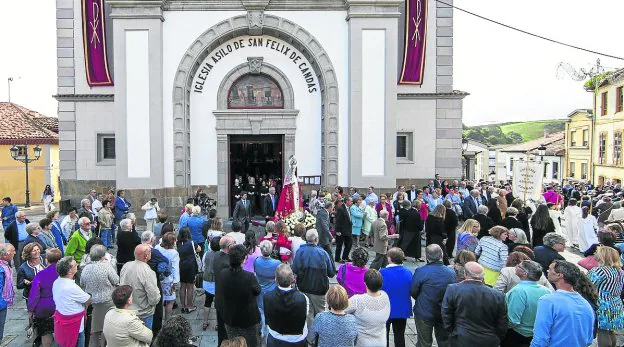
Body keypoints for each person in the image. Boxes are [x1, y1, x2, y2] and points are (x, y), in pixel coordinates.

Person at [441, 262, 507, 347]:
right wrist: (497, 338)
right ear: (483, 276)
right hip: (488, 341)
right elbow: (502, 322)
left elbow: (446, 313)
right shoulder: (498, 295)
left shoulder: (453, 289)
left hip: (461, 339)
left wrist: (451, 332)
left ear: (465, 273)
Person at [531, 260, 595, 347]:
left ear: (559, 275)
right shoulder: (586, 304)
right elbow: (589, 339)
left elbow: (540, 338)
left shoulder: (548, 301)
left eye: (550, 269)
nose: (547, 271)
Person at [292, 229, 337, 344]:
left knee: (309, 314)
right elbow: (331, 273)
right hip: (319, 289)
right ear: (316, 240)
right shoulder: (323, 253)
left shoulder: (300, 252)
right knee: (321, 313)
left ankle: (310, 339)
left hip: (304, 287)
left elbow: (295, 269)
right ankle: (320, 338)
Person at [215, 244, 261, 347]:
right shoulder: (249, 277)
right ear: (243, 260)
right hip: (248, 319)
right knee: (252, 342)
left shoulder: (223, 273)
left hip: (230, 317)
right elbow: (257, 291)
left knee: (234, 342)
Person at [411, 244, 456, 347]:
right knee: (444, 342)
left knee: (424, 343)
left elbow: (413, 291)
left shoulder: (421, 271)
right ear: (442, 254)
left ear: (427, 257)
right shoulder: (451, 273)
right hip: (444, 312)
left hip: (424, 311)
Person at [501, 260, 552, 347]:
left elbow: (513, 320)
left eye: (519, 266)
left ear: (525, 274)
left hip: (516, 335)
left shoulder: (519, 291)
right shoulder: (547, 291)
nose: (516, 267)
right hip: (535, 335)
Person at [80, 245, 119, 346]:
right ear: (102, 256)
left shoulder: (85, 268)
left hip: (91, 301)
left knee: (94, 327)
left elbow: (82, 283)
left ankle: (97, 344)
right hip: (107, 300)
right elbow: (116, 280)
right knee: (106, 326)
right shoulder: (106, 266)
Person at [263, 263, 309, 347]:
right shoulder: (303, 299)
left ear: (276, 279)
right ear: (293, 279)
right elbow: (305, 316)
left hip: (275, 339)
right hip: (297, 341)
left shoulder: (267, 296)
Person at [587, 247, 624, 347]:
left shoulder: (599, 271)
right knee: (610, 332)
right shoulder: (620, 271)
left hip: (602, 304)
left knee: (602, 332)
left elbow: (588, 286)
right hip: (616, 303)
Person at [53, 256, 93, 347]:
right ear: (69, 271)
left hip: (62, 320)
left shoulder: (57, 282)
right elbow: (88, 300)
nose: (77, 265)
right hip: (74, 324)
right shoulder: (71, 287)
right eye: (75, 265)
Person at [120, 244, 161, 329]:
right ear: (146, 256)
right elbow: (154, 297)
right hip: (143, 313)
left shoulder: (126, 266)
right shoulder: (148, 271)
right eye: (150, 252)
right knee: (144, 339)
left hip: (127, 310)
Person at [345, 269, 390, 347]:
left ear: (365, 283)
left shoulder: (357, 300)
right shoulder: (385, 296)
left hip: (362, 343)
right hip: (381, 342)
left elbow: (342, 309)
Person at [28, 248, 61, 347]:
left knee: (45, 333)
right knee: (59, 332)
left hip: (44, 308)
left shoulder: (41, 274)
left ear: (46, 260)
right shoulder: (63, 273)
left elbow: (34, 294)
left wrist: (31, 309)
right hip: (60, 305)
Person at [380, 248, 412, 347]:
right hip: (401, 309)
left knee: (384, 335)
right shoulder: (408, 272)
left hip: (385, 309)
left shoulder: (382, 272)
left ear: (389, 259)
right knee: (400, 335)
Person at [214, 235, 235, 345]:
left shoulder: (217, 256)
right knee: (227, 332)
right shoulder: (228, 262)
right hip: (226, 301)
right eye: (234, 243)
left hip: (219, 299)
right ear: (229, 246)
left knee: (222, 330)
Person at [155, 232, 180, 322]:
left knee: (159, 299)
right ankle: (167, 320)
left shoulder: (157, 248)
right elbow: (175, 268)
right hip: (168, 280)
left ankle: (158, 318)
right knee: (170, 301)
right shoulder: (174, 253)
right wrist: (176, 281)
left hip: (158, 277)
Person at [177, 227, 200, 314]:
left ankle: (183, 306)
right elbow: (199, 249)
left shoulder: (178, 243)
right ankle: (189, 306)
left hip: (181, 266)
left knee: (182, 286)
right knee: (190, 287)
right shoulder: (192, 243)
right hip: (191, 266)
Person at [202, 237, 221, 331]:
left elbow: (203, 265)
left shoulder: (206, 253)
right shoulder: (221, 256)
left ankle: (205, 322)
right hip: (217, 282)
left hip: (207, 281)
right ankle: (218, 324)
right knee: (218, 304)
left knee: (207, 301)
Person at [0, 244, 16, 342]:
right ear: (5, 255)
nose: (14, 253)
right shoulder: (2, 269)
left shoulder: (5, 265)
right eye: (12, 251)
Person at [335, 196, 354, 263]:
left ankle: (345, 257)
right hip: (341, 231)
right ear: (347, 201)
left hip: (347, 230)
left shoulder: (348, 208)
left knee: (349, 243)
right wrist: (337, 231)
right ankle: (337, 258)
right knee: (339, 245)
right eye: (351, 201)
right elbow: (338, 221)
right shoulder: (341, 209)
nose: (352, 202)